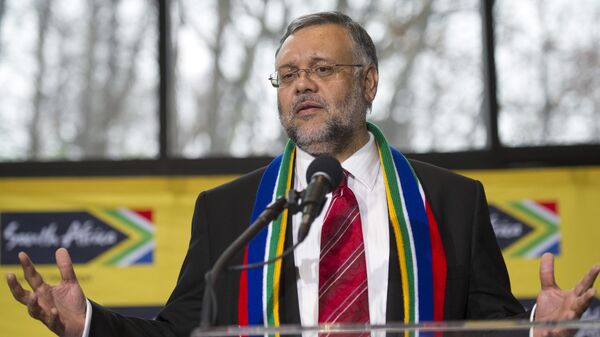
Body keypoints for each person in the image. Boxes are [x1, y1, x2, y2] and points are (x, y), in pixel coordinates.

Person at [6, 11, 599, 337]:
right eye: (287, 76)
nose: (301, 85)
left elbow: (486, 329)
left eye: (320, 68)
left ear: (368, 82)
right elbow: (180, 335)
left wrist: (534, 333)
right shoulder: (229, 210)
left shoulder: (452, 199)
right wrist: (88, 323)